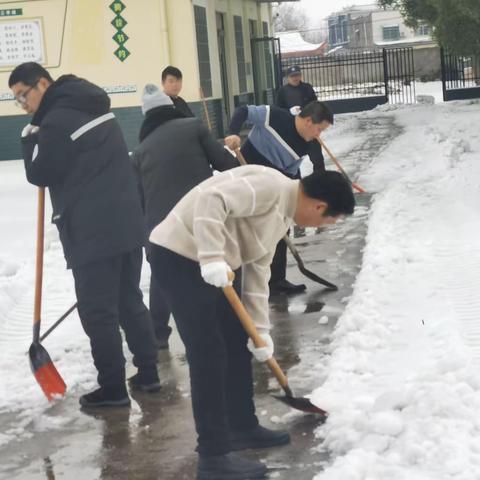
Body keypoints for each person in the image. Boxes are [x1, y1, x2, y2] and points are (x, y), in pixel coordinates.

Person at [148, 165, 355, 480]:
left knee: (237, 340)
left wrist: (260, 331)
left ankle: (241, 426)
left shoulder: (283, 216)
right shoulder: (270, 188)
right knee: (209, 354)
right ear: (319, 206)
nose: (323, 227)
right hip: (178, 254)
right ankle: (214, 458)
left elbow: (259, 270)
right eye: (329, 220)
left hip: (209, 262)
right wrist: (212, 256)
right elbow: (212, 201)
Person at [9, 62, 160, 408]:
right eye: (17, 100)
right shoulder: (90, 103)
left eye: (23, 96)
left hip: (92, 231)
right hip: (125, 221)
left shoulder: (57, 121)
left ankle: (113, 389)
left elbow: (41, 173)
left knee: (98, 312)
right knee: (128, 300)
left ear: (42, 83)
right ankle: (149, 373)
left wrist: (28, 138)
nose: (23, 105)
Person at [131, 84, 238, 349]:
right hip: (200, 215)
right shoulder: (193, 127)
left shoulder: (140, 151)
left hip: (161, 228)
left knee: (161, 278)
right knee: (213, 260)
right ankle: (226, 318)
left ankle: (157, 334)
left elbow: (138, 199)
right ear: (171, 108)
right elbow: (225, 165)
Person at [225, 101, 333, 295]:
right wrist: (233, 132)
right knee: (244, 231)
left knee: (282, 226)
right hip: (245, 178)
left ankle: (276, 280)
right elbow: (243, 111)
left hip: (270, 187)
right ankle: (236, 284)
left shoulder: (305, 144)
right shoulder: (273, 116)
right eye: (319, 129)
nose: (319, 135)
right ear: (308, 121)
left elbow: (291, 172)